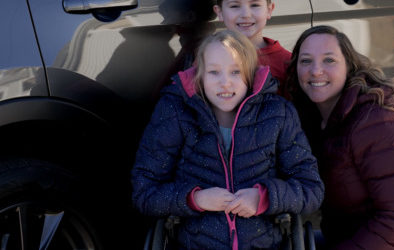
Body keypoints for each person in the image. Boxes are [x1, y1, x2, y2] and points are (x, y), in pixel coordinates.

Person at [131, 29, 324, 250]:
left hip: (264, 244)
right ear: (199, 76)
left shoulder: (278, 114)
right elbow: (145, 190)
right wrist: (195, 199)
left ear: (250, 75)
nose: (225, 83)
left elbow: (311, 188)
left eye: (235, 72)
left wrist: (264, 198)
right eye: (214, 72)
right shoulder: (175, 112)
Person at [286, 25, 394, 249]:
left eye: (329, 60)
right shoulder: (309, 118)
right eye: (305, 61)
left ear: (349, 67)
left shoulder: (376, 120)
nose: (315, 70)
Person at [214, 0, 292, 98]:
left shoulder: (287, 63)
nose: (246, 14)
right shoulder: (208, 58)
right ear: (220, 12)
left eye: (255, 5)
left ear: (269, 10)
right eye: (234, 6)